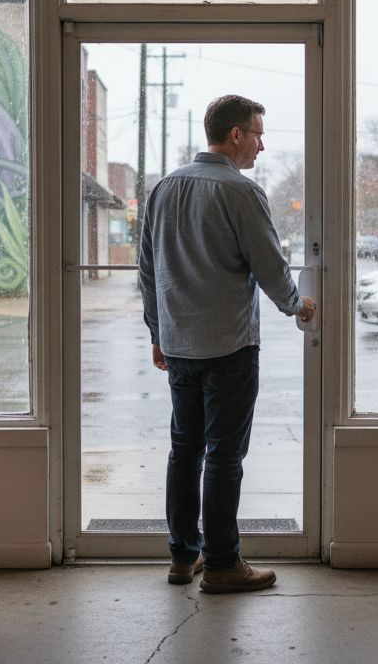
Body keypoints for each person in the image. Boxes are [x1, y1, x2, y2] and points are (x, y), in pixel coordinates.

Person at [138, 94, 316, 594]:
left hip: (178, 346)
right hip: (230, 348)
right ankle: (221, 564)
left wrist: (157, 331)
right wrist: (297, 305)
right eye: (258, 133)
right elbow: (268, 264)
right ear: (235, 135)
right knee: (222, 456)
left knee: (184, 451)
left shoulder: (164, 189)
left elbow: (148, 270)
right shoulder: (240, 191)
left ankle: (182, 557)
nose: (262, 144)